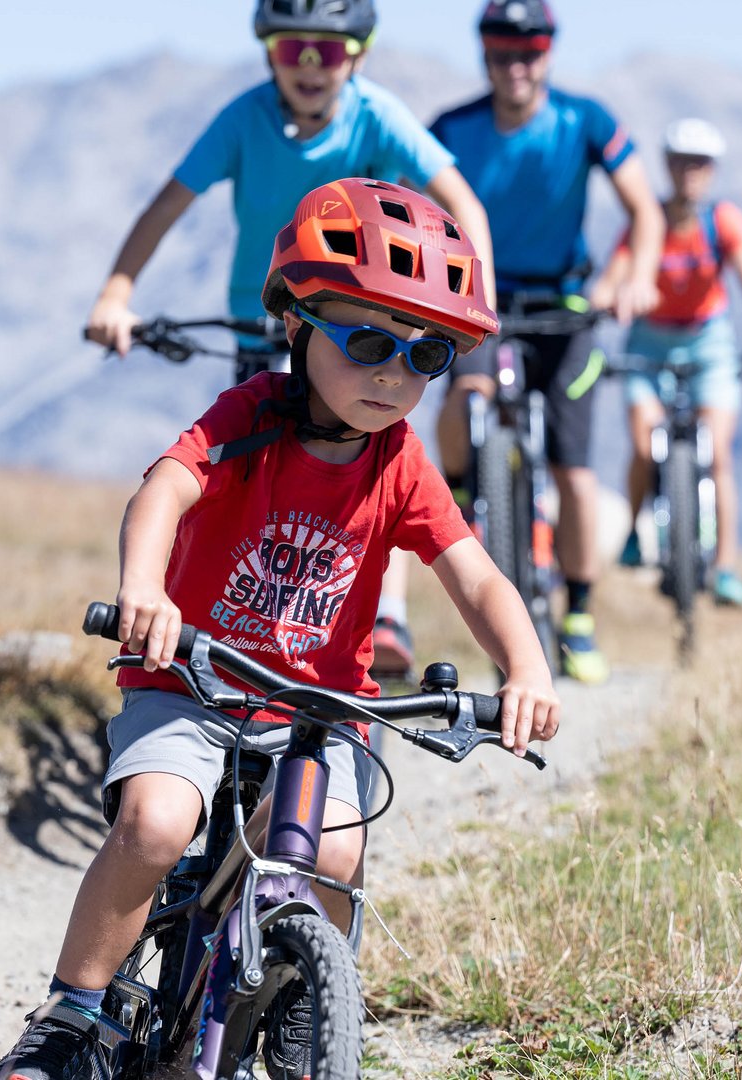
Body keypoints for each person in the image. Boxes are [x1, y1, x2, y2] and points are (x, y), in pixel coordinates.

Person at [0, 179, 557, 1080]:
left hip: (319, 709)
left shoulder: (400, 458)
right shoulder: (249, 414)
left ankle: (304, 1008)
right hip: (195, 681)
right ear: (296, 323)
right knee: (158, 823)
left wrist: (525, 666)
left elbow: (475, 572)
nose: (393, 376)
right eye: (368, 341)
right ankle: (72, 1014)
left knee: (335, 849)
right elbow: (165, 490)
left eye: (428, 357)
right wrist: (146, 591)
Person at [82, 0, 499, 680]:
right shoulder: (243, 119)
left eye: (329, 52)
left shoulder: (380, 116)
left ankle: (383, 611)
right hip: (265, 311)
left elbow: (463, 203)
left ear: (358, 56)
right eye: (291, 50)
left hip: (367, 314)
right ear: (267, 52)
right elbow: (168, 203)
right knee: (247, 462)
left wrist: (474, 305)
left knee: (371, 459)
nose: (310, 67)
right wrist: (117, 292)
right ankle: (219, 617)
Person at [429, 0, 665, 685]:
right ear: (484, 54)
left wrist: (633, 277)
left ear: (550, 53)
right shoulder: (452, 127)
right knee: (466, 389)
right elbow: (412, 196)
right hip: (481, 298)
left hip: (566, 306)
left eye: (529, 51)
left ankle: (579, 615)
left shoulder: (585, 120)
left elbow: (644, 210)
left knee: (574, 471)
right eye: (502, 52)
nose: (516, 65)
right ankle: (462, 483)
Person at [593, 118, 742, 607]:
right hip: (649, 342)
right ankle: (634, 534)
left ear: (712, 170)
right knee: (644, 443)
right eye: (682, 161)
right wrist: (604, 300)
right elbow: (613, 275)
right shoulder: (649, 222)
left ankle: (724, 567)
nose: (691, 172)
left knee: (718, 453)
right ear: (667, 165)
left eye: (701, 163)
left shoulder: (723, 222)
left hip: (709, 343)